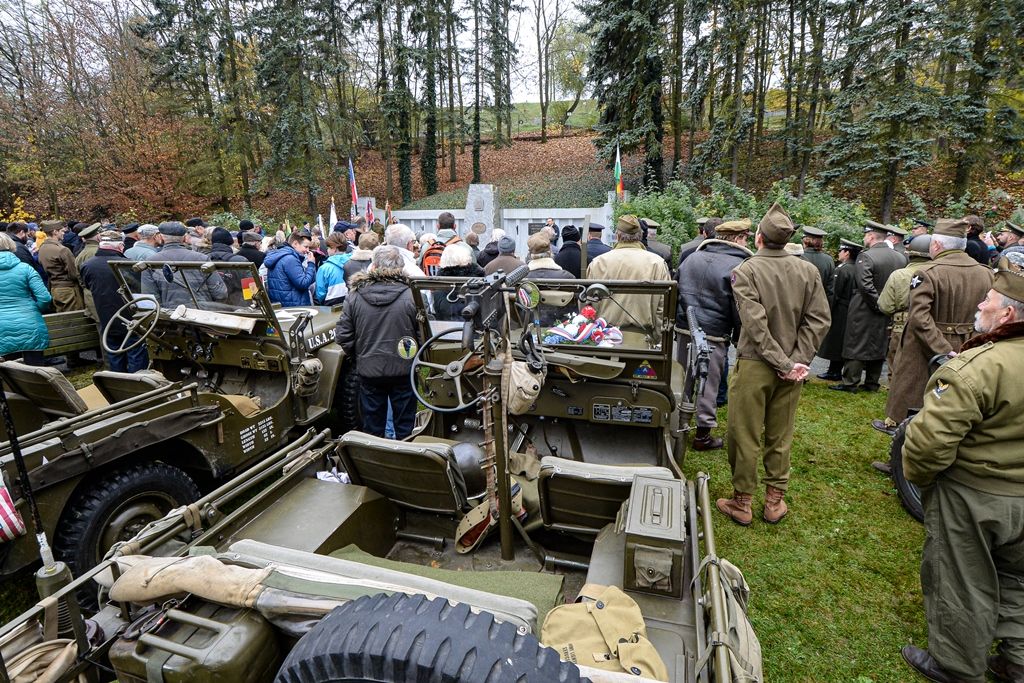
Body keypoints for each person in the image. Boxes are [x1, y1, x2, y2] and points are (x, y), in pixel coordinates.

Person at [899, 254, 1024, 683]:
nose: (979, 305)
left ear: (1007, 312)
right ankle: (1017, 661)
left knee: (962, 578)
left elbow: (927, 445)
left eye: (986, 299)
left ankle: (956, 665)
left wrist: (923, 481)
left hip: (974, 493)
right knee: (1018, 579)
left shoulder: (977, 368)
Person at [716, 203, 830, 526]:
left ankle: (743, 502)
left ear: (758, 237)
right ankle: (774, 502)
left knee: (744, 431)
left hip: (755, 364)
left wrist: (782, 361)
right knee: (781, 434)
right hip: (792, 367)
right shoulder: (809, 271)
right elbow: (819, 319)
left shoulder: (747, 271)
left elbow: (754, 324)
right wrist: (795, 361)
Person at [883, 219, 993, 433]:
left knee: (914, 400)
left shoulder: (927, 273)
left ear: (936, 245)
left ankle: (903, 459)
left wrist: (942, 349)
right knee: (952, 403)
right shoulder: (986, 273)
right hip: (968, 346)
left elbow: (919, 317)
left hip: (926, 348)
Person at [676, 218, 752, 451]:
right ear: (739, 238)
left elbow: (676, 289)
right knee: (709, 383)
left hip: (684, 326)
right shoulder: (740, 267)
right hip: (714, 332)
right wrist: (741, 338)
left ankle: (676, 425)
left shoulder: (692, 257)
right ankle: (702, 435)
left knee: (682, 378)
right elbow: (739, 307)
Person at [335, 245, 420, 439]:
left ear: (373, 267)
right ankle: (405, 458)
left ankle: (377, 463)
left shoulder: (355, 295)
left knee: (372, 424)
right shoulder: (411, 295)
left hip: (370, 369)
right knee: (404, 424)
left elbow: (343, 335)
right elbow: (423, 334)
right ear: (400, 267)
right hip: (403, 368)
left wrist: (359, 356)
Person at [866, 234, 932, 435]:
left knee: (898, 371)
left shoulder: (900, 275)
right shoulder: (938, 274)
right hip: (931, 328)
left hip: (901, 326)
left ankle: (894, 419)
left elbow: (885, 305)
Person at [831, 221, 906, 392]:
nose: (864, 238)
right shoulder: (901, 257)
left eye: (866, 235)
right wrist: (887, 304)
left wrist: (878, 304)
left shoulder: (866, 256)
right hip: (889, 304)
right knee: (879, 343)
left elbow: (864, 284)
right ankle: (872, 382)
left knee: (856, 341)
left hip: (865, 305)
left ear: (871, 236)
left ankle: (851, 381)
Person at [585, 215, 672, 332]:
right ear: (640, 236)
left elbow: (589, 303)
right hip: (643, 336)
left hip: (603, 336)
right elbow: (663, 306)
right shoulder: (657, 263)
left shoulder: (598, 262)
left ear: (617, 236)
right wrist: (657, 337)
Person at [80, 231, 148, 372]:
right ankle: (138, 385)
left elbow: (87, 286)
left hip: (106, 317)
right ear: (120, 246)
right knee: (135, 353)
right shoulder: (127, 265)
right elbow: (139, 289)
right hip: (130, 318)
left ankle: (117, 385)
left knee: (114, 354)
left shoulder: (88, 265)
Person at [142, 222, 227, 306]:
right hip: (201, 314)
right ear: (184, 238)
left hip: (169, 315)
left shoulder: (151, 262)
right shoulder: (202, 259)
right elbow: (220, 293)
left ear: (161, 237)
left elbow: (150, 299)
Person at [0, 232, 52, 363]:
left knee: (8, 374)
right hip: (30, 322)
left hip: (2, 327)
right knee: (35, 371)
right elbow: (45, 298)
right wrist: (34, 309)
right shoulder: (26, 269)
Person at [816, 239, 862, 381]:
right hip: (852, 308)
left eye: (841, 251)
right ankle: (835, 369)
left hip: (840, 309)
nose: (839, 253)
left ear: (847, 253)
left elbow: (835, 292)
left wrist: (828, 309)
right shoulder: (858, 268)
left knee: (836, 341)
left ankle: (834, 371)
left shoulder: (842, 269)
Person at [38, 220, 84, 312]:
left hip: (54, 289)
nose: (64, 233)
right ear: (55, 232)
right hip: (68, 289)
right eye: (62, 231)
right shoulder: (62, 250)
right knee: (75, 319)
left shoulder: (42, 248)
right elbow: (74, 274)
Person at [264, 230, 316, 307]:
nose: (307, 250)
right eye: (306, 246)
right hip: (295, 306)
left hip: (283, 305)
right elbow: (303, 283)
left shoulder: (281, 255)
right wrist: (311, 264)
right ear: (295, 243)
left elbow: (308, 280)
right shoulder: (290, 259)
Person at [433, 243, 484, 320]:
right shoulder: (477, 281)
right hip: (472, 328)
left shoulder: (439, 286)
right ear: (466, 259)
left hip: (445, 329)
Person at [208, 227, 251, 304]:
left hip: (211, 308)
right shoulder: (240, 261)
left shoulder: (202, 260)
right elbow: (251, 290)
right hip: (238, 309)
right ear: (230, 242)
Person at [315, 232, 351, 306]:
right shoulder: (354, 263)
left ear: (334, 249)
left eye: (328, 248)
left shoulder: (324, 269)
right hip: (351, 305)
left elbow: (320, 294)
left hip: (331, 307)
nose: (327, 250)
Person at [799, 225, 834, 300]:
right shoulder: (828, 260)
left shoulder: (798, 257)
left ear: (805, 241)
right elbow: (830, 290)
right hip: (820, 303)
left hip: (800, 303)